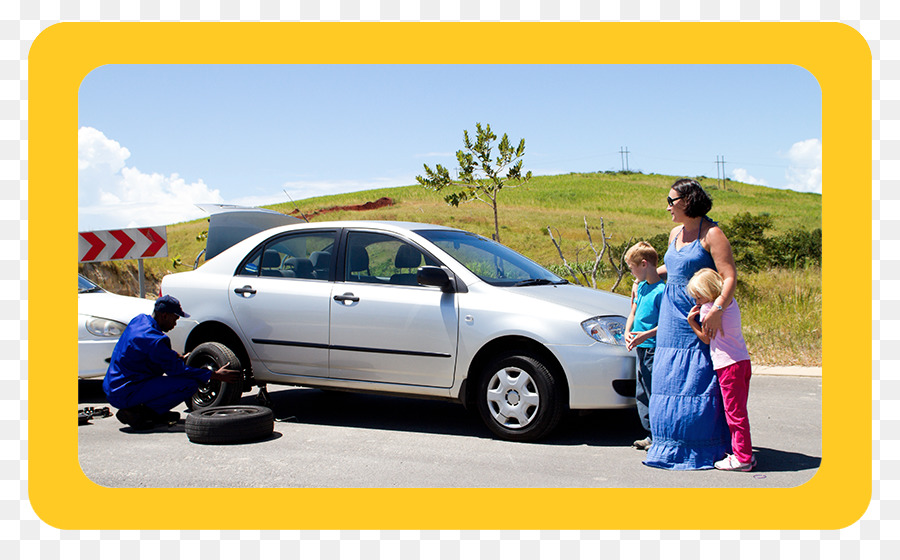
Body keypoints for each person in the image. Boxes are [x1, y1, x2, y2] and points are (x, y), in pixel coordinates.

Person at [643, 178, 733, 470]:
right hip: (671, 314)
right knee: (668, 377)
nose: (667, 206)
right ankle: (668, 444)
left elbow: (729, 276)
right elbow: (675, 265)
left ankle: (701, 446)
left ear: (688, 201)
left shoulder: (712, 233)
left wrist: (717, 309)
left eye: (672, 200)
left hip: (699, 313)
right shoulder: (674, 233)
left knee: (698, 377)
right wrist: (647, 277)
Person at [102, 295, 240, 430]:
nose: (175, 324)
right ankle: (141, 415)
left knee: (170, 379)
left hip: (113, 386)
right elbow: (178, 371)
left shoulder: (139, 320)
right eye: (175, 318)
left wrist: (174, 356)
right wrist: (215, 375)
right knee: (189, 384)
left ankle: (147, 410)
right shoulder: (155, 340)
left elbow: (147, 352)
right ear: (164, 315)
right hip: (125, 391)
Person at [686, 268, 755, 471]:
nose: (697, 301)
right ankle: (745, 453)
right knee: (740, 410)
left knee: (734, 413)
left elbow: (707, 338)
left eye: (698, 295)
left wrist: (692, 322)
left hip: (727, 365)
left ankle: (742, 457)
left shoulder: (708, 309)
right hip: (742, 360)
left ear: (708, 290)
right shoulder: (730, 304)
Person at [623, 241, 665, 451]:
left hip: (652, 347)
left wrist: (644, 336)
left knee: (652, 390)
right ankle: (650, 433)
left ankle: (659, 435)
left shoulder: (661, 290)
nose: (631, 272)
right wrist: (627, 331)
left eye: (632, 267)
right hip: (639, 346)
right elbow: (633, 311)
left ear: (644, 264)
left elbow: (665, 324)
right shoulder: (640, 287)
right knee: (641, 391)